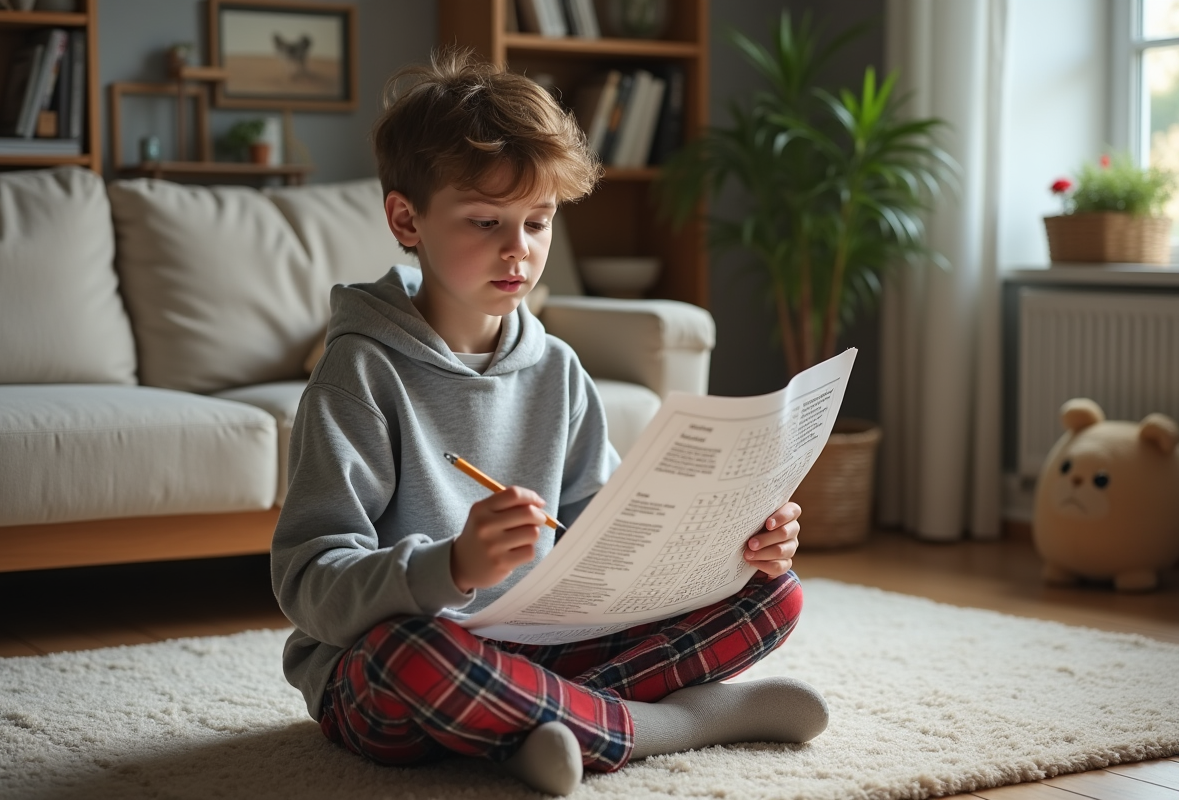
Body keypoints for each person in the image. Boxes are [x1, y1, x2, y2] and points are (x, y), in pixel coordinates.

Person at [271, 48, 829, 797]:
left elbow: (596, 535)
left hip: (546, 651)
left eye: (539, 222)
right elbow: (309, 584)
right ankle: (677, 724)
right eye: (485, 221)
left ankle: (532, 730)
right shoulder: (360, 373)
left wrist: (733, 540)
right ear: (407, 219)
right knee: (409, 654)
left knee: (776, 593)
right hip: (395, 676)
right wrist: (452, 568)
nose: (519, 250)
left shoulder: (558, 368)